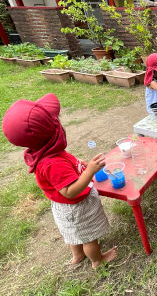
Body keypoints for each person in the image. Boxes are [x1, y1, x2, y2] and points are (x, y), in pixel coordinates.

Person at [1, 93, 118, 269]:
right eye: (57, 122)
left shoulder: (43, 152)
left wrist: (78, 164)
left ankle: (77, 256)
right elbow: (70, 191)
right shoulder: (53, 163)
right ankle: (97, 260)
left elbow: (61, 171)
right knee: (88, 237)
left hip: (64, 208)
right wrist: (90, 171)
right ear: (55, 132)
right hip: (76, 207)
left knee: (74, 234)